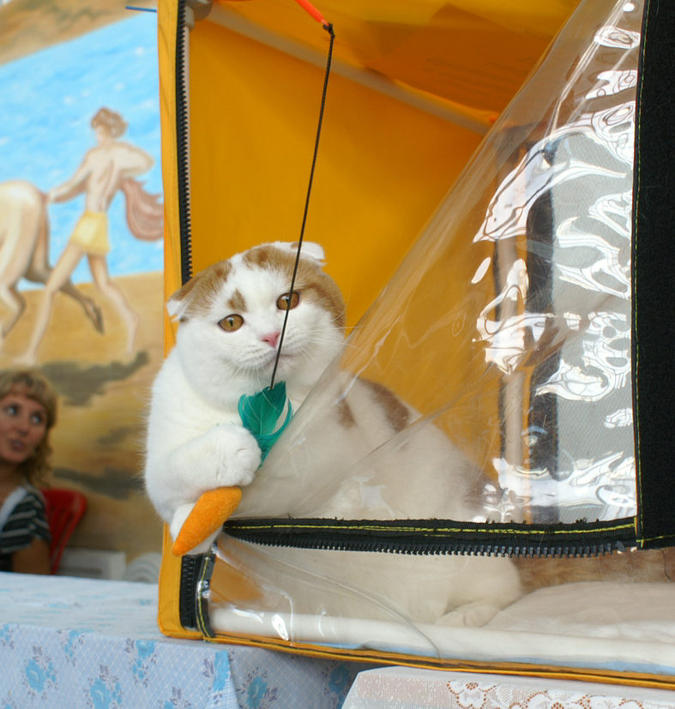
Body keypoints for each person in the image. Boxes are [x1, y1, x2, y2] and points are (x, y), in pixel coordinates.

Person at [20, 107, 156, 364]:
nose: (96, 136)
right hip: (98, 224)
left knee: (50, 288)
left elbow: (72, 183)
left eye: (98, 131)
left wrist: (50, 194)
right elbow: (144, 162)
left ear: (105, 130)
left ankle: (30, 353)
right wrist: (120, 169)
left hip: (89, 225)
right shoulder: (119, 156)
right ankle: (131, 320)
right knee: (103, 284)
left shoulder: (97, 156)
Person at [0, 369, 58, 574]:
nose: (24, 428)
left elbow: (32, 590)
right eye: (12, 410)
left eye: (37, 419)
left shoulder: (25, 508)